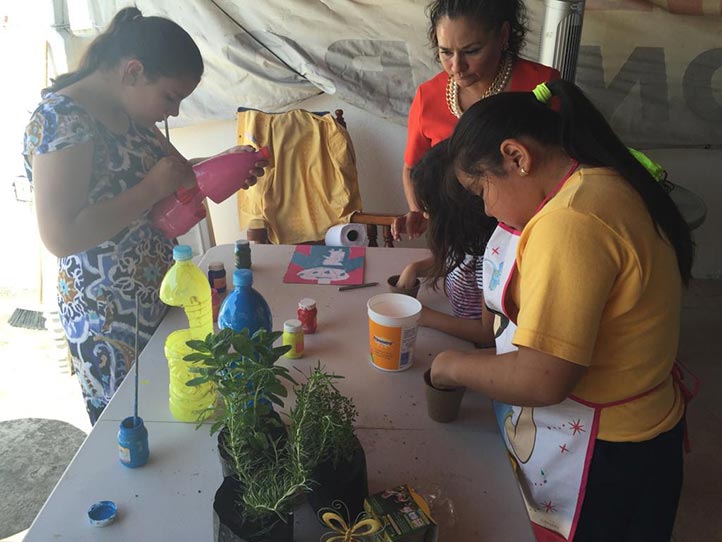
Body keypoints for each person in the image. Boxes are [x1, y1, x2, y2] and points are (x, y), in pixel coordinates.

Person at [431, 79, 694, 541]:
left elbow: (542, 377)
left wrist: (451, 366)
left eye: (482, 191)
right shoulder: (602, 181)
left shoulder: (569, 222)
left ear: (516, 157)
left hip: (609, 456)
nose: (489, 210)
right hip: (649, 434)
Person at [22, 7, 265, 425]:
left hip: (158, 290)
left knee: (175, 411)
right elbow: (60, 234)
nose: (172, 113)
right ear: (133, 71)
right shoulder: (61, 120)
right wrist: (151, 188)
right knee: (131, 423)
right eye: (170, 97)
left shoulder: (131, 114)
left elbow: (179, 175)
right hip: (108, 315)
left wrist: (230, 165)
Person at [393, 0, 559, 241]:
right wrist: (421, 213)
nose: (456, 67)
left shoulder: (541, 86)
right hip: (460, 241)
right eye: (446, 52)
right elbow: (412, 169)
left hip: (533, 234)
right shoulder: (428, 97)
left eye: (471, 51)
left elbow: (564, 165)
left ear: (503, 35)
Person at [397, 140, 496, 344]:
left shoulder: (489, 257)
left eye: (429, 211)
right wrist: (414, 268)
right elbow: (456, 261)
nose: (425, 217)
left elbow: (487, 334)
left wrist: (423, 316)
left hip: (473, 348)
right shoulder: (463, 239)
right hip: (454, 333)